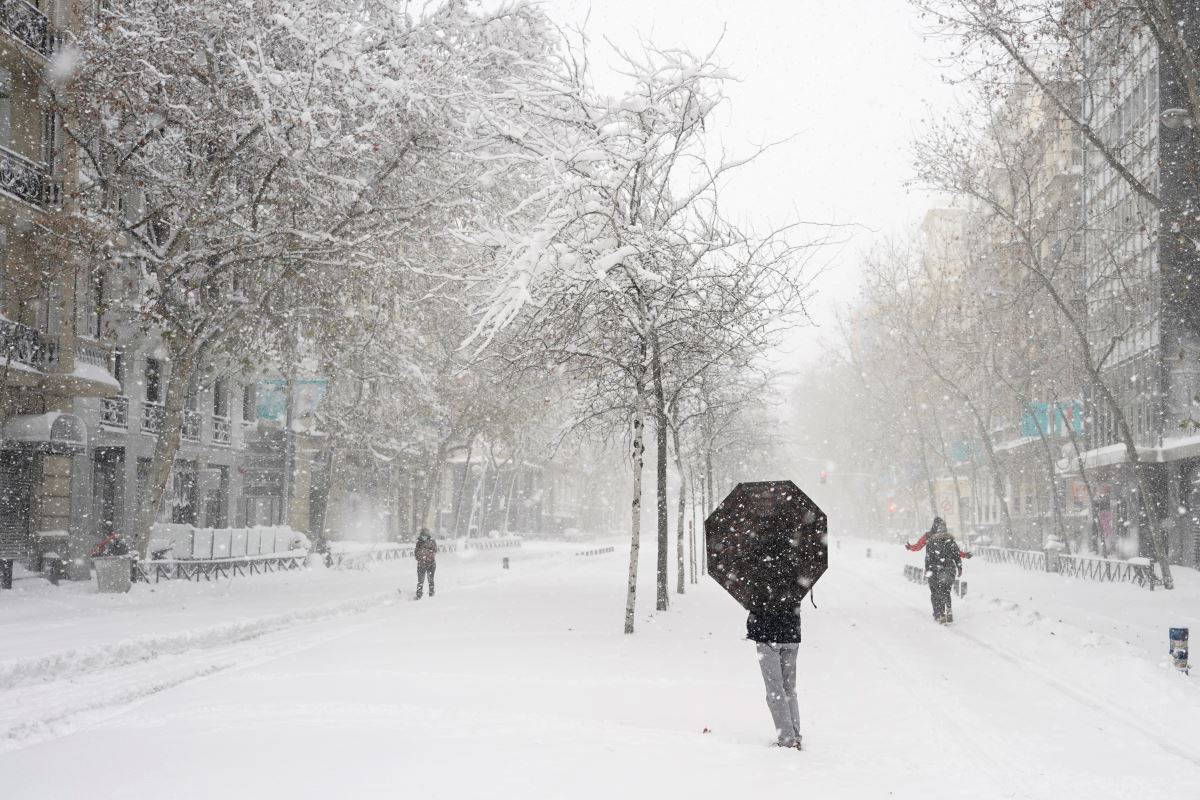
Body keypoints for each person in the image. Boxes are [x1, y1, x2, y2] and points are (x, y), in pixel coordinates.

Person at [747, 604, 803, 750]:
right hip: (791, 633)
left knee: (775, 690)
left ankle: (787, 740)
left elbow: (751, 600)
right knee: (788, 687)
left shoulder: (761, 589)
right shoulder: (794, 589)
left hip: (767, 633)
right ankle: (794, 735)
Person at [920, 517, 963, 624]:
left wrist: (928, 570)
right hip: (950, 570)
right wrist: (959, 568)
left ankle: (941, 615)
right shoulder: (951, 541)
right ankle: (949, 609)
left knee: (938, 592)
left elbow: (928, 559)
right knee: (946, 591)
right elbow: (957, 556)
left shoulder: (931, 542)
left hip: (936, 570)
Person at [414, 528, 437, 599]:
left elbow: (434, 551)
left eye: (425, 535)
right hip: (421, 564)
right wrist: (420, 558)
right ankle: (419, 594)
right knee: (420, 580)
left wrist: (425, 555)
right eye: (423, 535)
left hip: (431, 564)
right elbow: (416, 553)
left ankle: (431, 593)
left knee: (430, 580)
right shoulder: (419, 542)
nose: (424, 536)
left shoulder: (432, 541)